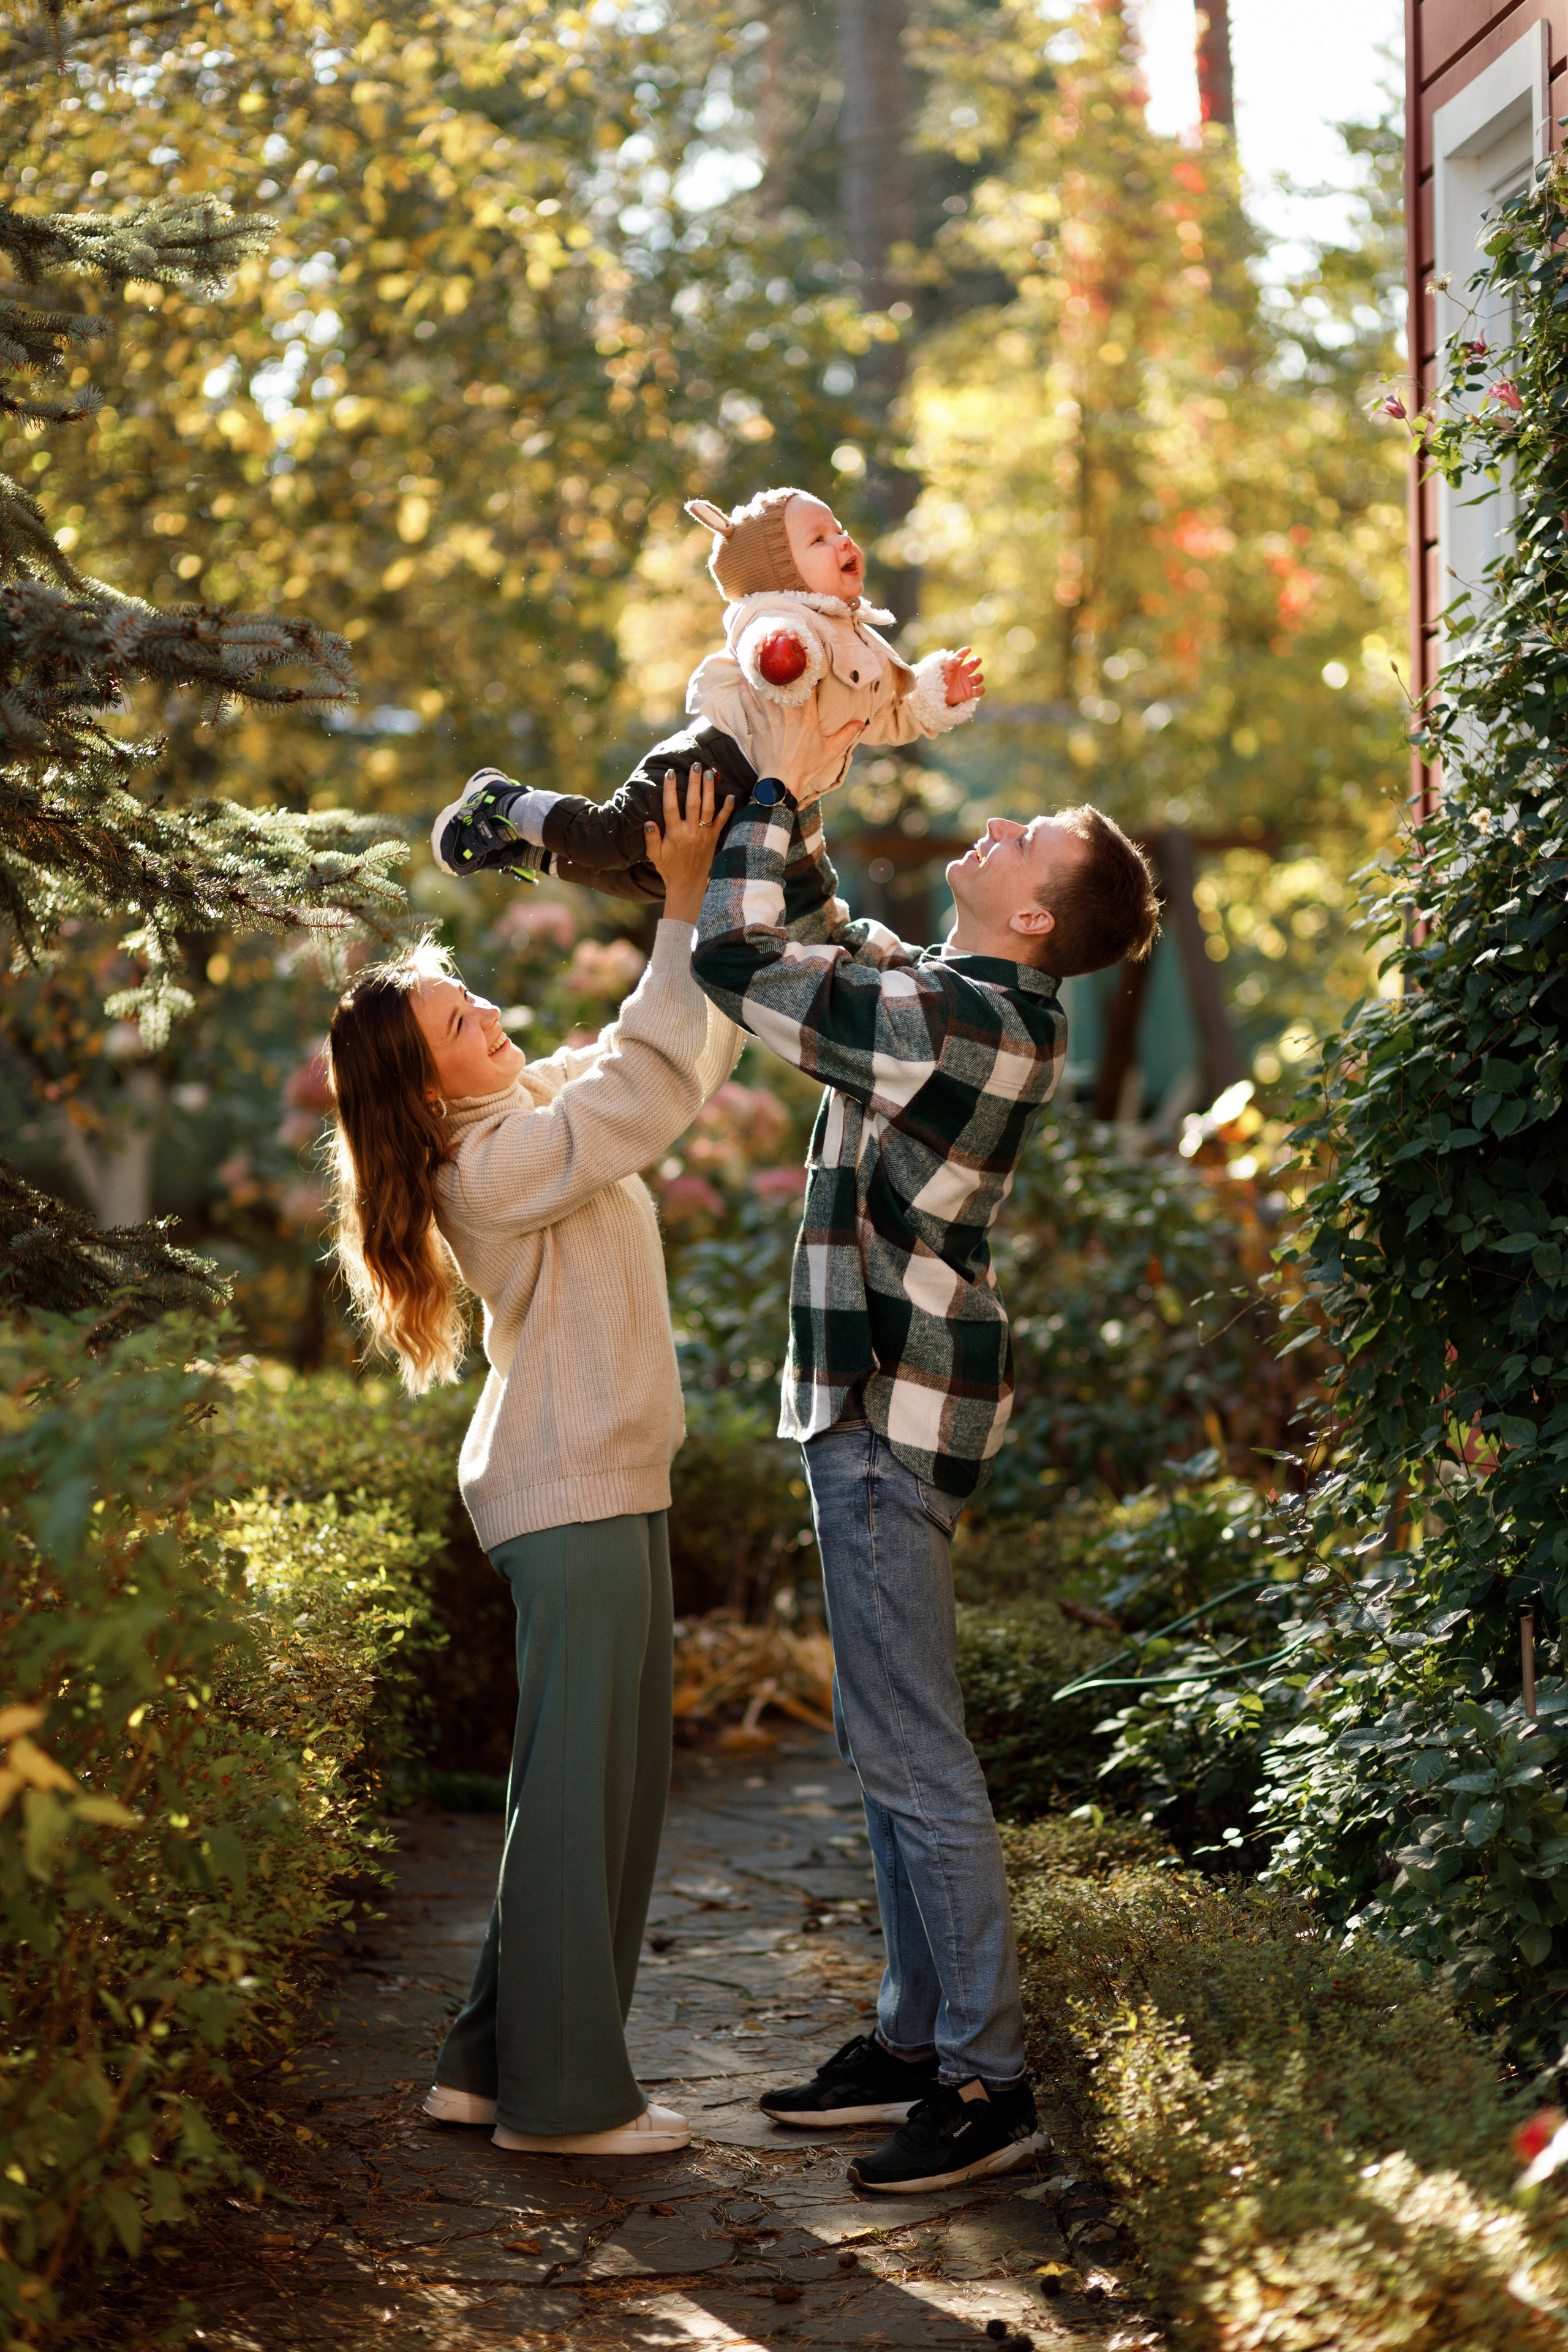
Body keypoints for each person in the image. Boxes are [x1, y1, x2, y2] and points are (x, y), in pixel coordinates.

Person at [690, 760, 1161, 2195]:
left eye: (1033, 836)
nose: (1001, 823)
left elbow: (735, 956)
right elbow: (836, 926)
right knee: (881, 1741)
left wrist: (757, 773)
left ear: (1031, 909)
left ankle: (984, 2080)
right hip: (872, 1401)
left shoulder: (961, 1026)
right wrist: (812, 776)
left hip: (890, 1412)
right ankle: (908, 2040)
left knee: (913, 1750)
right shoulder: (956, 991)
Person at [323, 767, 741, 2158]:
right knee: (582, 1795)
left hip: (598, 1482)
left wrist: (709, 894)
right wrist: (676, 900)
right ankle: (569, 2101)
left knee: (585, 1785)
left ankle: (489, 2063)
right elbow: (640, 1088)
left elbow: (671, 1053)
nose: (489, 1013)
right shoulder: (489, 1165)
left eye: (473, 998)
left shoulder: (521, 1117)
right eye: (459, 1019)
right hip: (567, 1496)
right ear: (424, 1081)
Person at [426, 485, 983, 902]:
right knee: (612, 838)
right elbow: (760, 645)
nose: (843, 539)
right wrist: (783, 655)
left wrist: (936, 696)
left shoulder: (862, 643)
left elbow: (884, 719)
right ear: (780, 573)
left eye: (839, 529)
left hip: (761, 798)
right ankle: (503, 802)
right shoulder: (776, 614)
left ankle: (521, 848)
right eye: (820, 538)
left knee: (657, 883)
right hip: (707, 765)